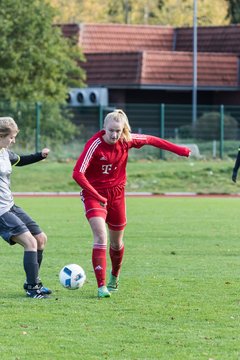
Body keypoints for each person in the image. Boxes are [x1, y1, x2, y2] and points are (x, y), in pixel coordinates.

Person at [73, 109, 191, 298]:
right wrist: (98, 196)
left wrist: (180, 150)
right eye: (111, 130)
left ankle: (114, 276)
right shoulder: (95, 145)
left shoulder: (127, 140)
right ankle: (101, 286)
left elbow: (152, 140)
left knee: (117, 243)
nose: (114, 135)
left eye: (118, 131)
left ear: (123, 129)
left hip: (117, 195)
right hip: (93, 195)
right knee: (101, 237)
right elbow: (77, 173)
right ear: (104, 128)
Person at [0, 117, 52, 299]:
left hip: (11, 205)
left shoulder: (5, 153)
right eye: (11, 137)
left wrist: (40, 155)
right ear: (1, 135)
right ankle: (32, 288)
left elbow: (20, 160)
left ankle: (34, 281)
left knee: (40, 238)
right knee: (30, 242)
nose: (13, 140)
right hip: (1, 212)